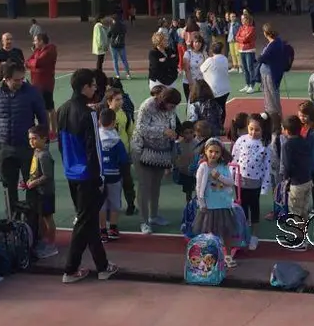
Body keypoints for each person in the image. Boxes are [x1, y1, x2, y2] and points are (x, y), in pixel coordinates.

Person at [57, 68, 118, 283]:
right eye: (93, 85)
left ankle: (102, 266)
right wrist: (99, 176)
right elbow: (95, 149)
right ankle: (70, 268)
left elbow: (61, 144)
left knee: (89, 220)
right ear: (84, 87)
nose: (95, 89)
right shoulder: (89, 113)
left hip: (71, 172)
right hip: (88, 175)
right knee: (84, 222)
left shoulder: (62, 109)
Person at [0, 61, 47, 214]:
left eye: (22, 78)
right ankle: (13, 217)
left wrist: (41, 142)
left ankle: (31, 219)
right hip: (5, 148)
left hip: (27, 147)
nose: (20, 82)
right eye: (16, 79)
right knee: (8, 186)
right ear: (6, 78)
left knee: (32, 184)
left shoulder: (32, 92)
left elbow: (42, 118)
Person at [131, 84, 182, 234]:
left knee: (156, 185)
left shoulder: (171, 109)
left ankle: (153, 215)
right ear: (163, 101)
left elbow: (172, 124)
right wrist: (163, 131)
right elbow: (141, 128)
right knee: (144, 185)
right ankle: (144, 221)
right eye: (171, 105)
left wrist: (173, 134)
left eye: (174, 106)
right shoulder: (148, 106)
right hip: (142, 150)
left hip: (161, 152)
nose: (172, 108)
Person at [192, 137, 239, 269]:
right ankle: (209, 257)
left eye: (217, 152)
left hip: (223, 204)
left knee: (226, 232)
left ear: (221, 153)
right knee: (209, 233)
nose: (213, 154)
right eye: (211, 151)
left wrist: (219, 176)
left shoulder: (223, 166)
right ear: (205, 151)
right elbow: (198, 187)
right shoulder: (203, 167)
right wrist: (202, 204)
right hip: (209, 205)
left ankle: (228, 256)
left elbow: (231, 182)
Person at [230, 114, 271, 250]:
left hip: (255, 183)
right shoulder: (241, 140)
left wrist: (265, 186)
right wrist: (231, 176)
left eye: (257, 130)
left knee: (254, 209)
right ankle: (243, 234)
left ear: (263, 129)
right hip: (239, 181)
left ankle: (254, 236)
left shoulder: (265, 145)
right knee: (241, 208)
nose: (253, 132)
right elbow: (234, 159)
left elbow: (267, 167)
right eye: (251, 129)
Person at [24, 124, 58, 259]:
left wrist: (34, 183)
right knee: (42, 218)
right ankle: (44, 241)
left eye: (34, 138)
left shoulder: (44, 155)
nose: (31, 141)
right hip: (39, 192)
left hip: (46, 192)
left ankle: (51, 245)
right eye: (30, 139)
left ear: (44, 139)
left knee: (48, 219)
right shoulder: (36, 152)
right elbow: (36, 172)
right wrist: (29, 180)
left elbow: (47, 176)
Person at [98, 108, 131, 242]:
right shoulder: (117, 141)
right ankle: (113, 227)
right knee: (114, 202)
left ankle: (102, 230)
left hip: (99, 175)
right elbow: (123, 160)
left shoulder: (96, 138)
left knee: (101, 204)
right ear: (113, 122)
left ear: (99, 121)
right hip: (114, 175)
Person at [280, 115, 312, 249]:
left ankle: (298, 240)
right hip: (307, 180)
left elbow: (287, 165)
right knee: (304, 211)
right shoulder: (305, 141)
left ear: (287, 130)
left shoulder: (287, 145)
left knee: (295, 212)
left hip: (296, 183)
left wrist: (285, 179)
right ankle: (304, 237)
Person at [26, 32, 59, 136]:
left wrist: (32, 63)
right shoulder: (38, 51)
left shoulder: (49, 51)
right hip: (37, 83)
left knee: (48, 108)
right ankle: (49, 130)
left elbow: (37, 62)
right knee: (46, 107)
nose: (34, 42)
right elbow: (27, 61)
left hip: (45, 84)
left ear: (41, 41)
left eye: (35, 40)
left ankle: (52, 131)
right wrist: (32, 63)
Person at [297, 101, 314, 215]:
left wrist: (311, 165)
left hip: (310, 164)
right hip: (300, 162)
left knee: (313, 183)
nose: (301, 118)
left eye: (304, 116)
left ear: (311, 115)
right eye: (300, 115)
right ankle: (302, 205)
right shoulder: (300, 126)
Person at [108, 14, 130, 79]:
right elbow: (125, 32)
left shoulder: (112, 26)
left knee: (115, 60)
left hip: (113, 45)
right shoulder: (123, 26)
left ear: (113, 20)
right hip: (121, 44)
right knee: (124, 60)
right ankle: (128, 74)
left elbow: (108, 35)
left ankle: (117, 75)